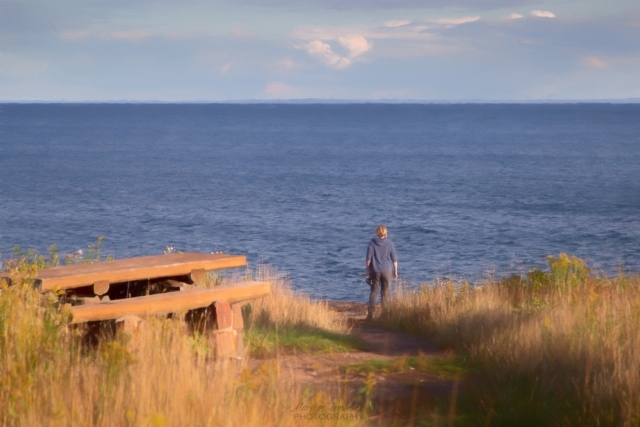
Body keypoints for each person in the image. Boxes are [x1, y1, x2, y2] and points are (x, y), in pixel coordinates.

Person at [365, 225, 398, 320]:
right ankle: (385, 315)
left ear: (377, 233)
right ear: (385, 233)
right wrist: (395, 271)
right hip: (387, 271)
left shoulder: (372, 242)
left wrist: (367, 272)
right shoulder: (390, 243)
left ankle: (370, 315)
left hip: (375, 271)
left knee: (374, 292)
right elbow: (394, 259)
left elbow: (368, 259)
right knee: (385, 293)